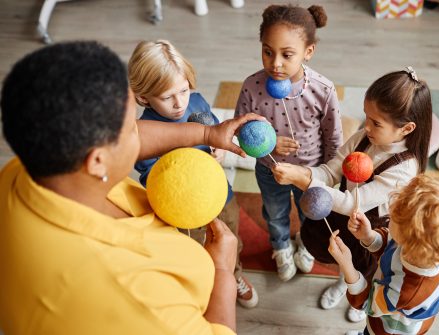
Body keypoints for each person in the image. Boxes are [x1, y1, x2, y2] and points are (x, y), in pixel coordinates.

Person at [0, 41, 263, 334]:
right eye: (131, 130)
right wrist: (222, 273)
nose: (141, 132)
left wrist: (207, 133)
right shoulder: (136, 296)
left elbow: (144, 135)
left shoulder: (22, 171)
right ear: (97, 160)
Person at [272, 68, 432, 322]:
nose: (366, 126)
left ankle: (354, 290)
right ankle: (343, 278)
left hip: (369, 225)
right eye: (366, 117)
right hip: (339, 211)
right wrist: (303, 172)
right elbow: (330, 172)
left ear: (406, 129)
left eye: (376, 122)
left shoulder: (404, 169)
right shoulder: (364, 137)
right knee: (335, 251)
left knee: (362, 266)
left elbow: (351, 203)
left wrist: (303, 180)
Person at [128, 40, 258, 308]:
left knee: (231, 236)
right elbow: (152, 177)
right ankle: (207, 286)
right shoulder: (143, 132)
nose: (179, 102)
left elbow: (213, 134)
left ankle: (235, 275)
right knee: (196, 250)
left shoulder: (196, 102)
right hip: (185, 210)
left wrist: (217, 152)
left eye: (183, 90)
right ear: (143, 97)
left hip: (220, 192)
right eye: (166, 97)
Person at [234, 4, 343, 282]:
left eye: (287, 54)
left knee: (312, 213)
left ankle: (306, 242)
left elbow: (333, 137)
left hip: (311, 171)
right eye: (267, 52)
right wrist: (268, 145)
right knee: (274, 210)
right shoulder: (251, 86)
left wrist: (331, 176)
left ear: (308, 52)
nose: (275, 63)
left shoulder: (323, 89)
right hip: (270, 169)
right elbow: (240, 129)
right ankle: (281, 245)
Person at [328, 174, 439, 335]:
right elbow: (391, 244)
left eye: (393, 217)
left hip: (388, 329)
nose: (389, 214)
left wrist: (347, 266)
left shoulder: (406, 291)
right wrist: (369, 237)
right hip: (390, 306)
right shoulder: (426, 249)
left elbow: (367, 304)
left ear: (408, 241)